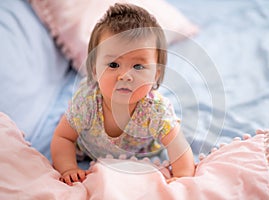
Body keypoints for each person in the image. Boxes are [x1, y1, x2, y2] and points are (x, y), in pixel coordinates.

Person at [51, 3, 195, 186]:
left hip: (140, 151)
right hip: (88, 149)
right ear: (94, 71)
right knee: (65, 126)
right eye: (113, 65)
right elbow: (63, 138)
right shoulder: (86, 103)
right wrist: (69, 169)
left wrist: (182, 177)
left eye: (138, 66)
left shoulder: (156, 111)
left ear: (156, 74)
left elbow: (178, 147)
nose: (125, 76)